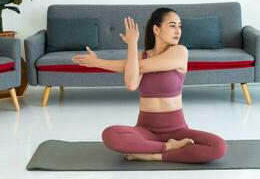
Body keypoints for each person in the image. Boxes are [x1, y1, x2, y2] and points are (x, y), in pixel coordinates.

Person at [72, 8, 227, 163]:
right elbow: (131, 85)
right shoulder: (139, 58)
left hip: (178, 131)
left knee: (218, 146)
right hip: (145, 131)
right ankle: (168, 148)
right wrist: (132, 44)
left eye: (180, 26)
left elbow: (141, 67)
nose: (178, 31)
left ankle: (154, 155)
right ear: (156, 29)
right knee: (110, 134)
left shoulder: (180, 52)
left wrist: (99, 62)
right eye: (173, 25)